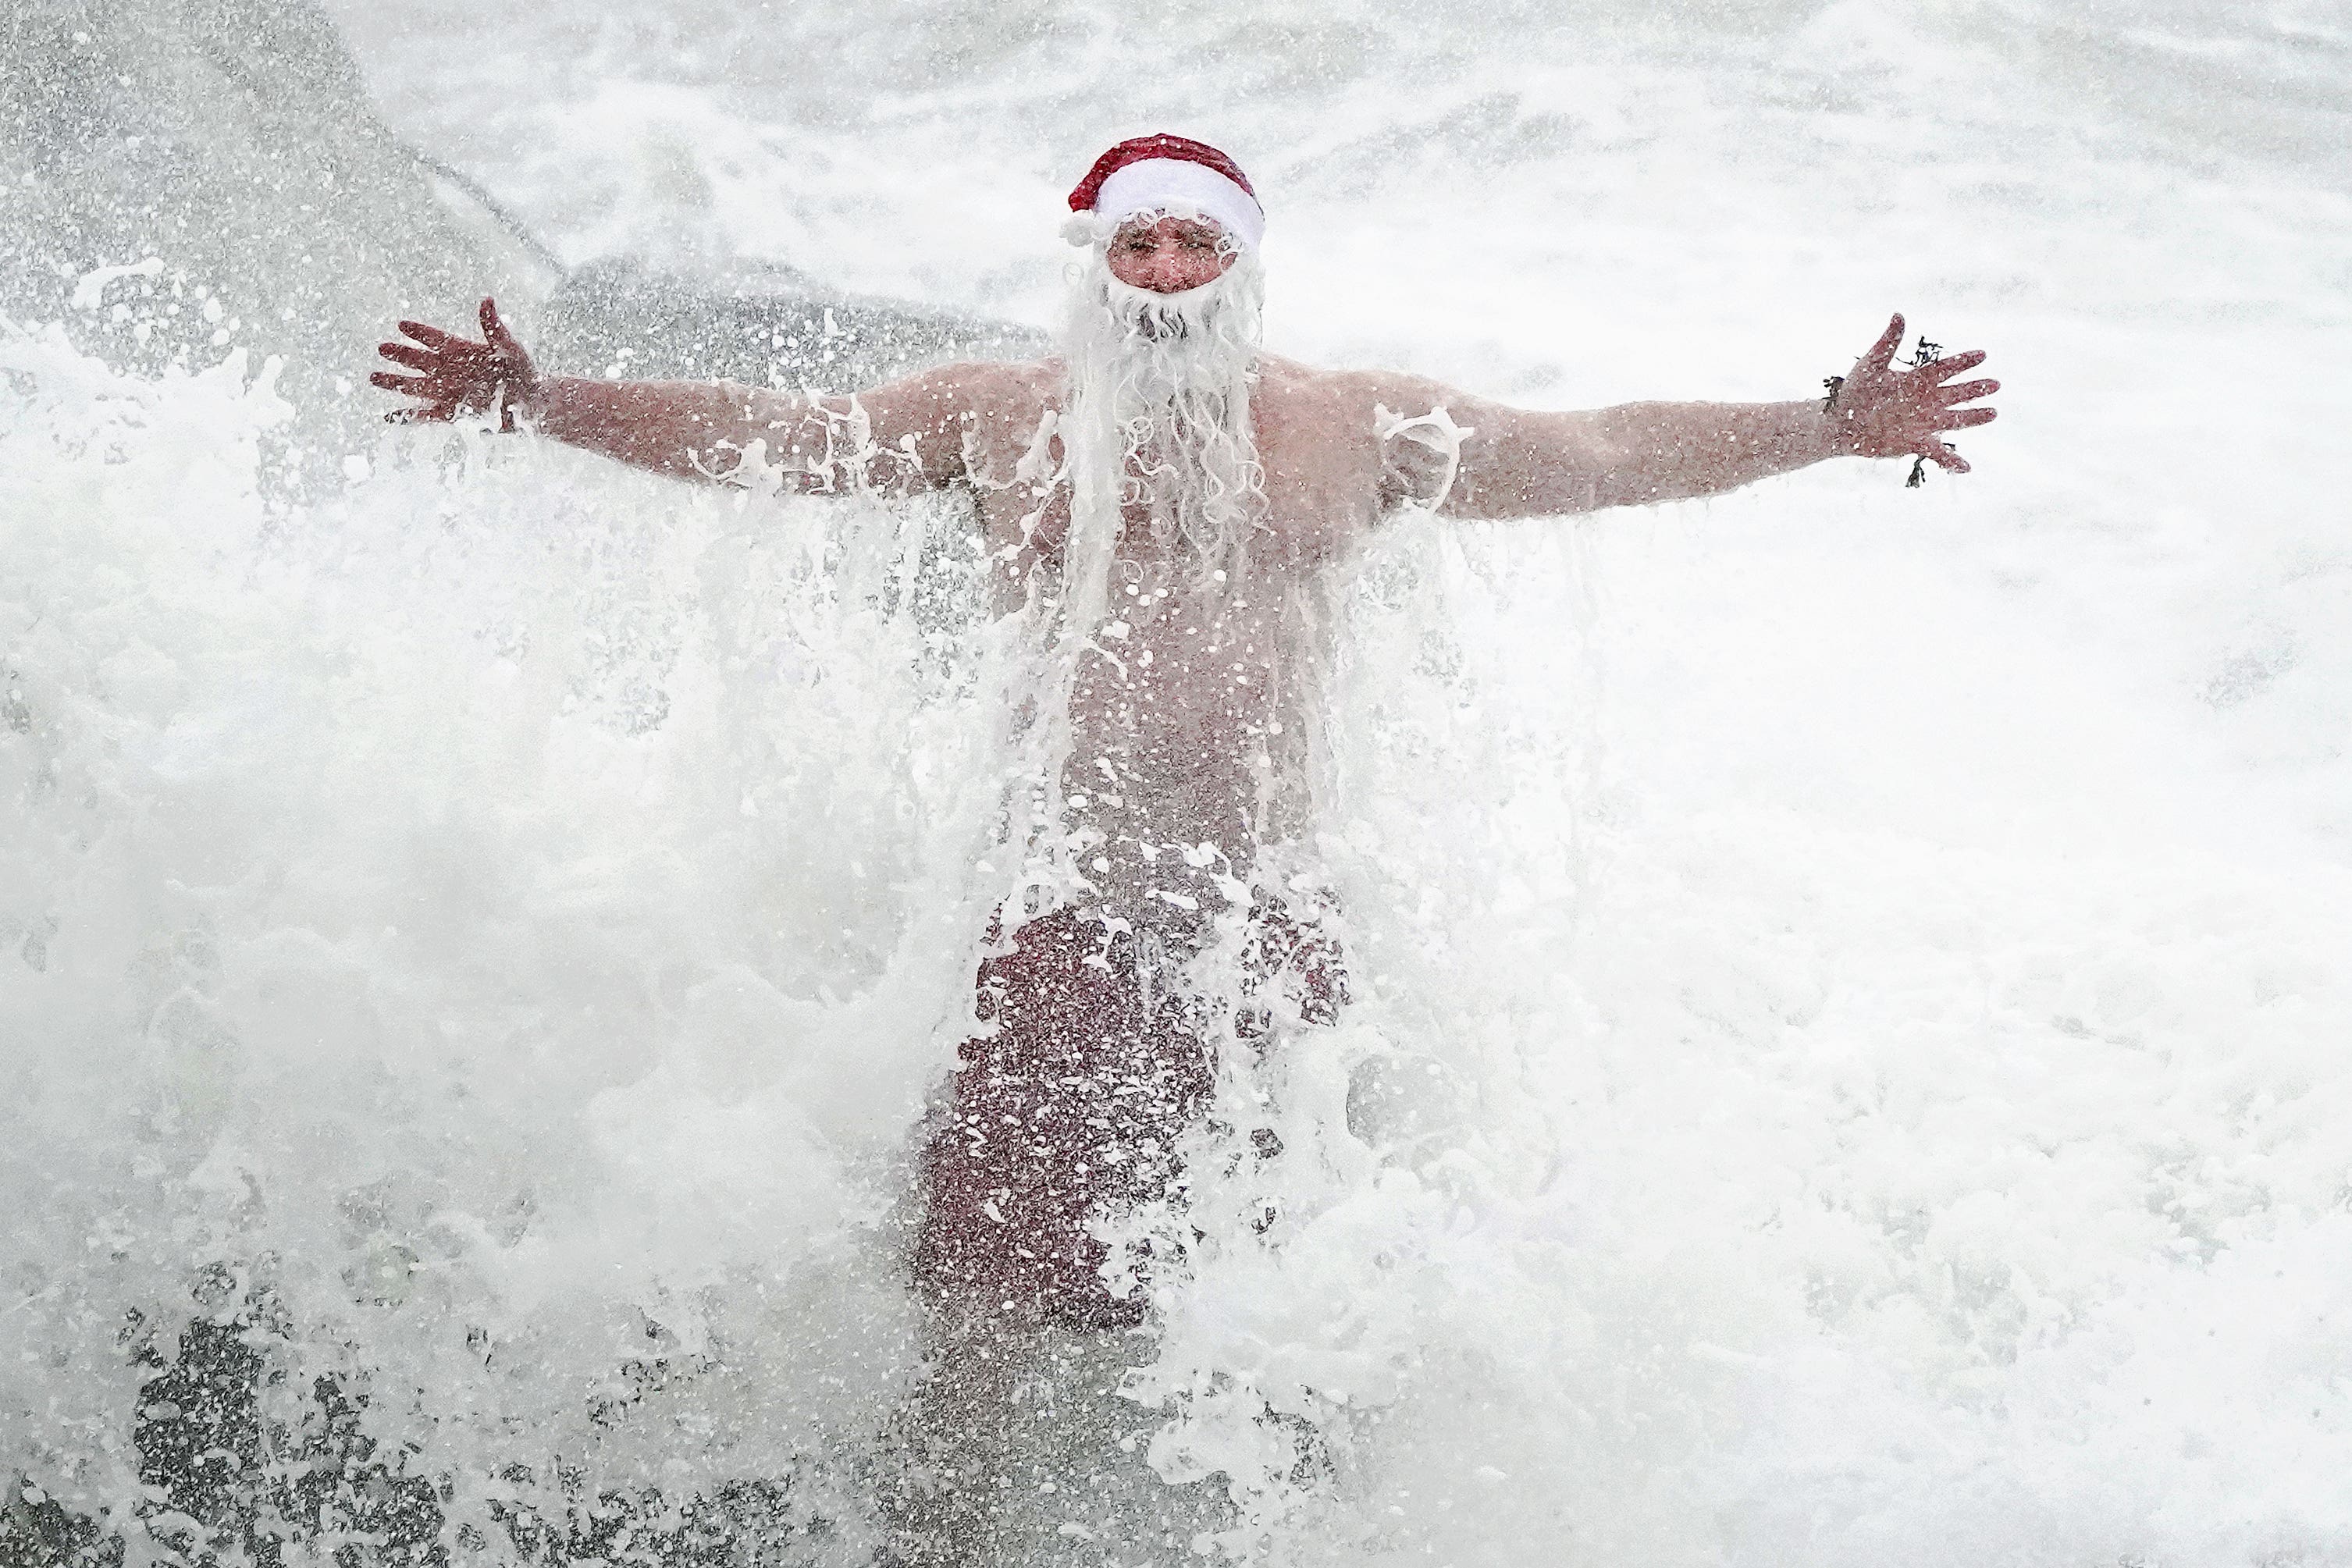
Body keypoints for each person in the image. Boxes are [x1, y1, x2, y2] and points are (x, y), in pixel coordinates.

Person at [372, 132, 1998, 1342]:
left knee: (1285, 1293)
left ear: (1243, 265)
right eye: (1136, 245)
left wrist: (1826, 428)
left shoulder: (1353, 424)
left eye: (1191, 248)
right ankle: (953, 1513)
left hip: (1265, 900)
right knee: (984, 1276)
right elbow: (787, 444)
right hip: (1060, 890)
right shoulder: (993, 416)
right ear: (1093, 263)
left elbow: (1590, 452)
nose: (1161, 273)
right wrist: (551, 400)